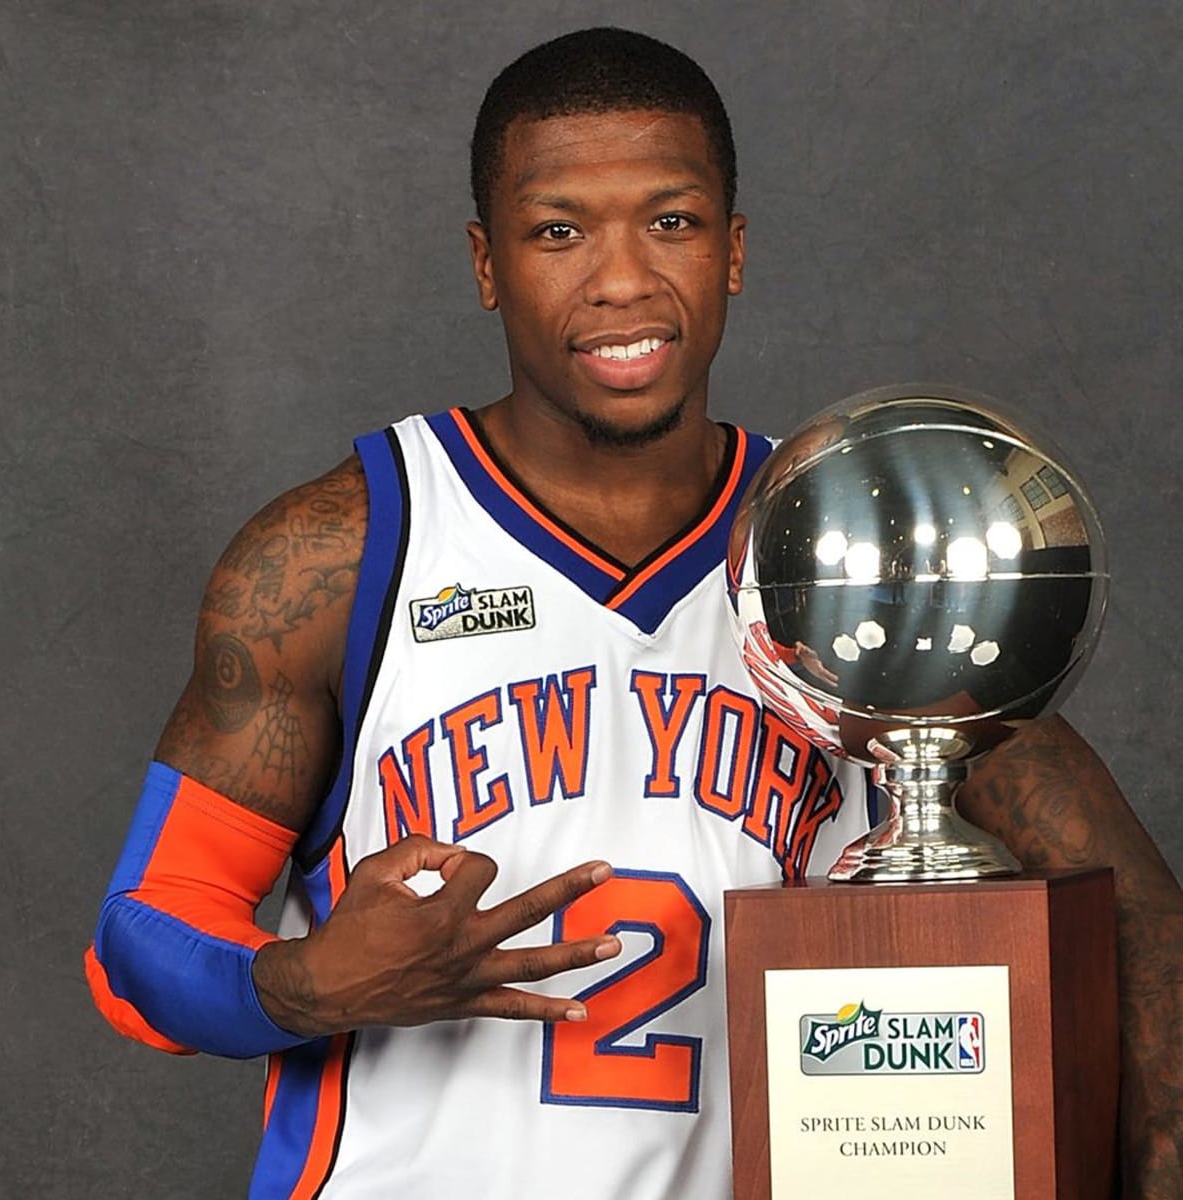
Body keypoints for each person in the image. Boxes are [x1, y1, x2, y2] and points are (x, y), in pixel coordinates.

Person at [86, 26, 1182, 1200]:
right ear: (487, 263)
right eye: (559, 231)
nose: (622, 280)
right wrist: (310, 986)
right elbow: (137, 942)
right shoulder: (343, 554)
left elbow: (1136, 923)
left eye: (672, 221)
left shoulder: (853, 553)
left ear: (732, 250)